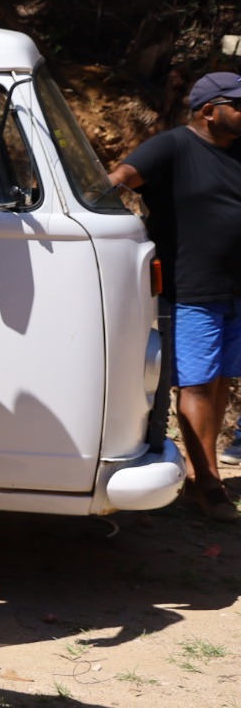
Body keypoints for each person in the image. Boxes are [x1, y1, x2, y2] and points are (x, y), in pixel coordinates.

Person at [107, 71, 241, 521]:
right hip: (191, 290)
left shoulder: (236, 151)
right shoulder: (173, 147)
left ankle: (203, 471)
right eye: (238, 105)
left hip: (233, 291)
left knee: (220, 381)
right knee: (197, 385)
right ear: (209, 111)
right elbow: (115, 181)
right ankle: (209, 484)